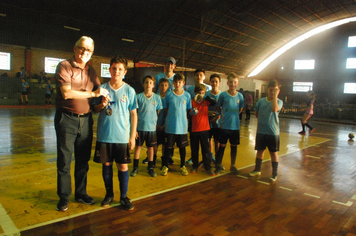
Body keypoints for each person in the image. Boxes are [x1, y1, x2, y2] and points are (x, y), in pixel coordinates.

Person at [54, 36, 109, 212]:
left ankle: (80, 193)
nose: (85, 52)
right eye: (82, 48)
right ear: (74, 48)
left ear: (92, 53)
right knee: (64, 161)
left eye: (89, 50)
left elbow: (96, 105)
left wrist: (102, 103)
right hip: (66, 119)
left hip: (86, 121)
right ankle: (63, 198)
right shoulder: (64, 66)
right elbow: (67, 94)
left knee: (83, 161)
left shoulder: (92, 72)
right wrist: (93, 95)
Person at [93, 55, 137, 210]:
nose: (116, 71)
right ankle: (109, 194)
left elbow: (133, 114)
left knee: (123, 167)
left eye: (120, 69)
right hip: (105, 135)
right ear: (109, 69)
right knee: (106, 164)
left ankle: (123, 196)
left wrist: (132, 137)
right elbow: (95, 109)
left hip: (122, 137)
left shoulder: (129, 91)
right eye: (114, 68)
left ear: (124, 72)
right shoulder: (102, 89)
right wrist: (102, 105)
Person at [249, 80, 283, 182]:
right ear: (267, 89)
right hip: (261, 131)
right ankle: (257, 169)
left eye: (275, 90)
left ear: (278, 91)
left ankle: (274, 173)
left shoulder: (279, 102)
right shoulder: (261, 101)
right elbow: (256, 113)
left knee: (273, 153)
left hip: (273, 133)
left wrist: (275, 97)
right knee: (260, 151)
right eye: (271, 90)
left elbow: (274, 109)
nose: (272, 92)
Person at [131, 75, 162, 178]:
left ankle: (150, 167)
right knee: (138, 147)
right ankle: (135, 167)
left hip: (151, 128)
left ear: (153, 85)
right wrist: (134, 129)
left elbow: (158, 111)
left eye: (150, 83)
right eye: (146, 82)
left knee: (151, 148)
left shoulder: (157, 98)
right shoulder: (138, 97)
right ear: (143, 84)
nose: (148, 84)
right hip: (140, 128)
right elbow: (134, 113)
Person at [161, 73, 192, 176]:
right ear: (173, 83)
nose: (178, 84)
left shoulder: (187, 95)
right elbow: (166, 109)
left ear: (183, 83)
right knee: (168, 148)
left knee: (182, 148)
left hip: (182, 128)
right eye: (176, 82)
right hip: (170, 127)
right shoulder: (169, 94)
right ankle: (165, 165)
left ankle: (182, 165)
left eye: (180, 82)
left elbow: (188, 110)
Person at [214, 72, 244, 175]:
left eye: (234, 82)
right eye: (230, 82)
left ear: (237, 83)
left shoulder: (240, 96)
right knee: (222, 146)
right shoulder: (223, 95)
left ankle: (233, 165)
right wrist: (224, 114)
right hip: (224, 126)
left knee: (233, 146)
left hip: (235, 127)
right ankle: (218, 165)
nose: (232, 84)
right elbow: (218, 107)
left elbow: (240, 109)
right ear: (227, 83)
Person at [186, 69, 212, 165]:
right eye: (197, 75)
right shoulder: (190, 89)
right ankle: (194, 161)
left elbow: (212, 102)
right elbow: (189, 104)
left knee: (206, 143)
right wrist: (190, 111)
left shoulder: (208, 88)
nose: (199, 77)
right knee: (194, 144)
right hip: (194, 119)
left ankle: (209, 159)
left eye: (201, 75)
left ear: (204, 76)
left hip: (205, 120)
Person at [142, 78, 170, 167]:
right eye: (162, 85)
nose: (163, 87)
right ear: (158, 86)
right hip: (155, 125)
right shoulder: (155, 96)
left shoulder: (169, 97)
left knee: (165, 144)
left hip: (165, 125)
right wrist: (156, 124)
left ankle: (165, 159)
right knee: (155, 143)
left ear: (168, 86)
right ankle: (152, 158)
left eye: (165, 85)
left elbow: (169, 112)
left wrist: (164, 125)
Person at [190, 84, 216, 176]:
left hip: (205, 129)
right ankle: (195, 165)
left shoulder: (206, 101)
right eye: (198, 93)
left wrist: (207, 97)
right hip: (194, 129)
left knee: (205, 149)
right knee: (194, 149)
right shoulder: (192, 102)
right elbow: (189, 112)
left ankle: (207, 166)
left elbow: (214, 102)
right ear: (195, 93)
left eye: (202, 93)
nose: (200, 94)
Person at [205, 74, 222, 164]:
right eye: (212, 81)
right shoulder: (206, 95)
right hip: (207, 123)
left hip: (218, 124)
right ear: (210, 83)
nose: (214, 83)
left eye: (216, 81)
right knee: (208, 141)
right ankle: (209, 158)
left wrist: (218, 116)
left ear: (219, 83)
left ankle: (217, 160)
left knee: (217, 142)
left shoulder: (222, 95)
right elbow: (203, 108)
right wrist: (208, 113)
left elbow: (224, 109)